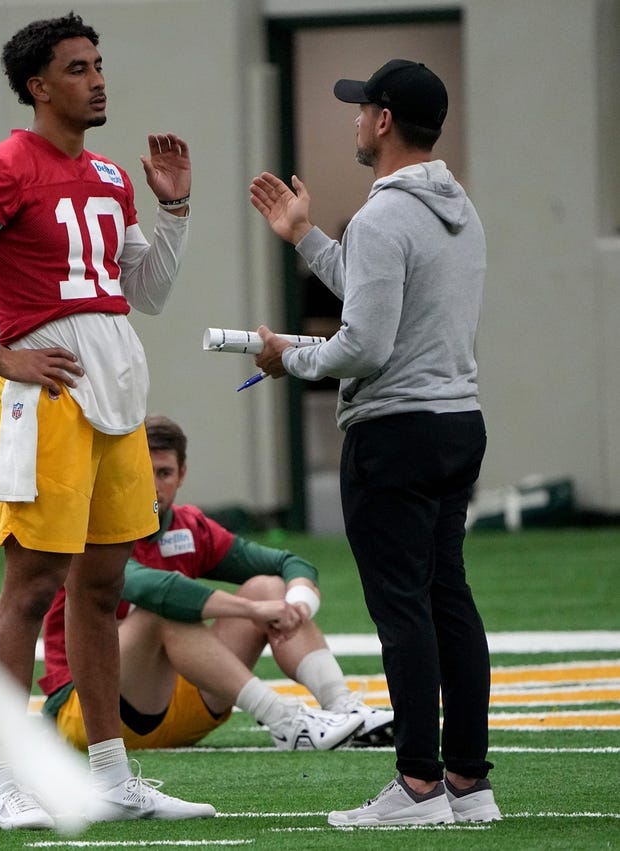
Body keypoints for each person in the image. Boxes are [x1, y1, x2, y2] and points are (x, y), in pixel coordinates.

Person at [0, 10, 214, 830]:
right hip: (49, 398)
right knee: (31, 585)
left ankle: (109, 775)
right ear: (38, 86)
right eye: (79, 68)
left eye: (100, 64)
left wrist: (173, 212)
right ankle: (13, 782)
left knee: (102, 586)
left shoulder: (111, 176)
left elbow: (144, 293)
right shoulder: (6, 165)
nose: (99, 78)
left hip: (114, 387)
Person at [249, 59, 500, 826]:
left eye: (362, 109)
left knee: (404, 609)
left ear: (384, 121)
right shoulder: (459, 209)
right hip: (458, 423)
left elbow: (362, 343)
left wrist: (287, 356)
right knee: (447, 598)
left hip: (394, 433)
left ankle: (419, 785)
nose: (355, 120)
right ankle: (466, 781)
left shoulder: (384, 216)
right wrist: (304, 238)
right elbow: (378, 288)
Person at [41, 414, 391, 752]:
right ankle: (283, 718)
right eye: (141, 472)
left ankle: (345, 708)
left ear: (182, 475)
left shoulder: (189, 526)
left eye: (164, 473)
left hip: (178, 707)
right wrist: (253, 610)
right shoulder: (91, 526)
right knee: (159, 613)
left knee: (268, 585)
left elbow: (289, 563)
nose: (152, 485)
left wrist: (295, 607)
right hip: (91, 714)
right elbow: (154, 590)